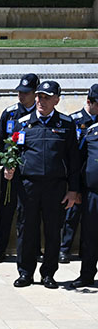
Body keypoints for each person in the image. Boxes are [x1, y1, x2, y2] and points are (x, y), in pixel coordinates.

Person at [9, 81, 81, 288]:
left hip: (55, 187)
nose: (41, 101)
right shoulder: (23, 123)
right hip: (28, 185)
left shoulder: (66, 125)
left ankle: (48, 273)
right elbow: (12, 152)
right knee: (26, 229)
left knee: (52, 231)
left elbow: (73, 161)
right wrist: (8, 168)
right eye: (39, 96)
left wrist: (73, 190)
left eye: (47, 97)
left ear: (57, 100)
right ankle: (25, 273)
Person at [0, 73, 38, 263]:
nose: (22, 96)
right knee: (6, 211)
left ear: (35, 93)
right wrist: (8, 162)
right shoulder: (10, 113)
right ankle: (0, 249)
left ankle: (32, 250)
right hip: (11, 172)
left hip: (32, 173)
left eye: (26, 93)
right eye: (20, 92)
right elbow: (0, 140)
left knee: (30, 213)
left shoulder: (40, 115)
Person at [60, 84, 98, 263]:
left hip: (93, 178)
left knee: (90, 219)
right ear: (89, 101)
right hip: (76, 175)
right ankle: (64, 249)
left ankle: (86, 251)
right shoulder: (74, 120)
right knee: (71, 215)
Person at [72, 116, 98, 288]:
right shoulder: (91, 131)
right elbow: (79, 162)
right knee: (90, 236)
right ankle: (87, 275)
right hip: (93, 194)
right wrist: (78, 190)